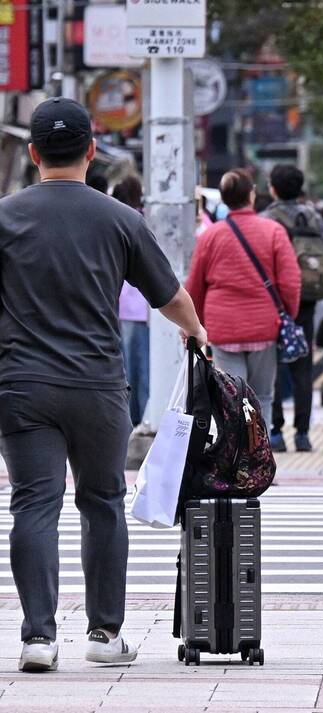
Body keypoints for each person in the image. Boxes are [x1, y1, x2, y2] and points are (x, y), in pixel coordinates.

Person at [0, 98, 207, 672]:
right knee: (102, 501)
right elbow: (170, 296)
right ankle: (103, 633)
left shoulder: (5, 217)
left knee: (33, 504)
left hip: (22, 384)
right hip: (96, 384)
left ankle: (38, 639)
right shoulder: (120, 219)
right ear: (92, 151)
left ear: (34, 154)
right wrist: (196, 334)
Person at [186, 169, 301, 423]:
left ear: (225, 199)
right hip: (264, 327)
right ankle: (261, 456)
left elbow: (195, 286)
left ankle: (236, 457)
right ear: (251, 195)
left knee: (231, 399)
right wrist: (285, 316)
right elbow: (290, 282)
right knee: (263, 397)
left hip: (224, 328)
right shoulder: (273, 231)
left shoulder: (210, 236)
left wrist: (193, 325)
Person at [262, 164, 323, 452]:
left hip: (275, 300)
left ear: (272, 188)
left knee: (273, 367)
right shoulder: (315, 216)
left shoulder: (267, 220)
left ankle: (275, 432)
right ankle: (303, 434)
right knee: (303, 366)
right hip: (308, 298)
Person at [112, 176, 150, 426]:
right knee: (144, 369)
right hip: (147, 306)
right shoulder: (142, 222)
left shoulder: (117, 221)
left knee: (128, 368)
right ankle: (143, 415)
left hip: (125, 306)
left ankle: (131, 418)